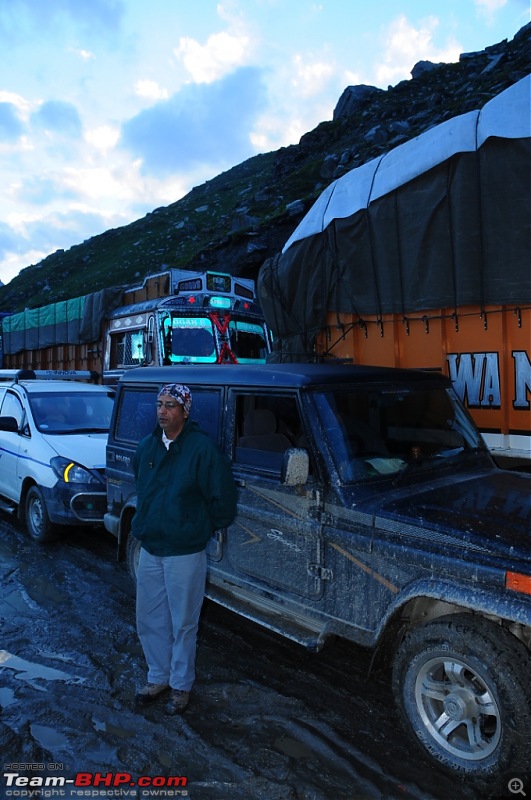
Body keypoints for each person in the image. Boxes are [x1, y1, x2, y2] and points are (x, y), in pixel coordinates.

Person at [131, 383, 237, 714]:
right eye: (159, 404)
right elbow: (141, 482)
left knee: (183, 622)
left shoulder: (201, 450)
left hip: (184, 552)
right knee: (149, 617)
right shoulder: (148, 447)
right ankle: (157, 677)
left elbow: (222, 496)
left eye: (170, 405)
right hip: (151, 547)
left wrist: (201, 526)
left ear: (185, 411)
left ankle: (180, 686)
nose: (162, 411)